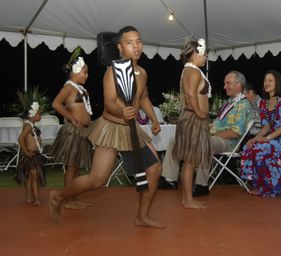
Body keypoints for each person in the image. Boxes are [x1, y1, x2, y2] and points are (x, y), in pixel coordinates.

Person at [49, 26, 165, 228]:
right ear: (120, 47)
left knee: (154, 168)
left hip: (132, 130)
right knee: (97, 180)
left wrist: (154, 118)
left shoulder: (142, 72)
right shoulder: (113, 72)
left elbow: (143, 96)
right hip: (111, 127)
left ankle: (142, 216)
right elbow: (110, 103)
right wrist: (122, 112)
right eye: (130, 42)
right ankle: (58, 196)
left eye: (138, 41)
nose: (136, 46)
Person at [160, 70, 252, 196]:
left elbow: (235, 132)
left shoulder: (244, 105)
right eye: (225, 83)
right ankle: (169, 179)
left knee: (204, 141)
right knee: (176, 138)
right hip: (214, 137)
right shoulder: (229, 103)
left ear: (239, 85)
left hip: (228, 143)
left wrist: (209, 135)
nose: (224, 86)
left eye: (228, 83)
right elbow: (215, 124)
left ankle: (201, 184)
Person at [240, 70, 281, 197]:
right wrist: (256, 138)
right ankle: (259, 184)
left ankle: (268, 186)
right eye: (265, 80)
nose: (266, 83)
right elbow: (266, 126)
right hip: (273, 139)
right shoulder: (264, 103)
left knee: (262, 148)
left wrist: (266, 139)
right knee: (249, 146)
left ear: (277, 83)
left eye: (270, 80)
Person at [169, 38, 212, 209]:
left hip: (193, 119)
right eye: (204, 53)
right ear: (195, 53)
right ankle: (187, 200)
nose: (206, 56)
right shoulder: (192, 72)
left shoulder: (190, 71)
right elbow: (190, 94)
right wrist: (200, 112)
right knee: (189, 161)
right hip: (193, 120)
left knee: (190, 161)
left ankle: (187, 198)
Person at [50, 48, 94, 210]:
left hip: (82, 131)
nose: (87, 75)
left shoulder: (80, 88)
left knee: (76, 167)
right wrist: (72, 118)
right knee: (71, 167)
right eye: (85, 72)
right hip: (73, 131)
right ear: (75, 71)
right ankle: (67, 200)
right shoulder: (69, 87)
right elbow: (55, 104)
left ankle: (74, 197)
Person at [15, 102, 46, 206]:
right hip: (31, 155)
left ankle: (29, 198)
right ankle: (36, 199)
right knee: (35, 176)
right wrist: (26, 151)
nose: (40, 115)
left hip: (34, 155)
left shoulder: (31, 125)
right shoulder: (28, 125)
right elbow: (20, 139)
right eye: (39, 113)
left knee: (30, 177)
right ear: (32, 114)